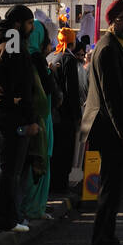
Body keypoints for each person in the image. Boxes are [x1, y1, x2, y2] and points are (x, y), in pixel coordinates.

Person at [81, 0, 123, 245]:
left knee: (114, 189)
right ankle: (103, 241)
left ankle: (107, 238)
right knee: (110, 188)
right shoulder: (108, 48)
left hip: (116, 130)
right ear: (112, 21)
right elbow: (112, 96)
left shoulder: (120, 45)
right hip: (112, 132)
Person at [0, 4, 38, 233]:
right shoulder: (13, 43)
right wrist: (30, 119)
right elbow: (21, 86)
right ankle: (5, 219)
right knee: (9, 169)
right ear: (17, 24)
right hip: (11, 116)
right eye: (29, 23)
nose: (31, 28)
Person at [20, 20, 59, 221]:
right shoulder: (36, 59)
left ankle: (30, 207)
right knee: (40, 160)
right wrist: (50, 72)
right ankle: (34, 207)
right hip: (41, 119)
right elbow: (50, 90)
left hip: (32, 119)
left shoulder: (21, 55)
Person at [47, 27, 85, 192]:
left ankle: (53, 184)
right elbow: (73, 90)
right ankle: (61, 186)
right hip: (66, 115)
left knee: (54, 151)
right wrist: (77, 116)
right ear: (73, 41)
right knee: (66, 151)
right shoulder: (68, 59)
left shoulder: (52, 56)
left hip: (52, 112)